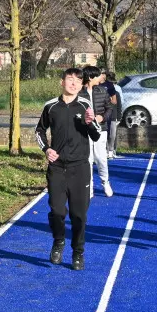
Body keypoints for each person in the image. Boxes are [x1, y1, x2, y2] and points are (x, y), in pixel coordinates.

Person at [36, 67, 101, 270]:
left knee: (78, 214)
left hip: (80, 167)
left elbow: (97, 135)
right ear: (62, 82)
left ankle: (78, 252)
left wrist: (90, 123)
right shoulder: (50, 106)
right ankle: (58, 240)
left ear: (82, 85)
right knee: (56, 211)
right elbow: (39, 130)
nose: (73, 83)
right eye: (70, 79)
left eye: (78, 81)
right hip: (57, 167)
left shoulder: (85, 105)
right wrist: (46, 149)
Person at [78, 65, 114, 198]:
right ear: (90, 77)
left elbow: (110, 108)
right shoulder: (79, 93)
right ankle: (89, 187)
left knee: (101, 159)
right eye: (98, 75)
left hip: (101, 130)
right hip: (85, 132)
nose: (100, 78)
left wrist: (102, 117)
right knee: (88, 159)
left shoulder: (102, 91)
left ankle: (105, 182)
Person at [104, 71, 121, 159]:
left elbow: (118, 106)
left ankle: (111, 150)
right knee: (105, 134)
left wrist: (119, 118)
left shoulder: (116, 94)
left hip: (113, 117)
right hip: (105, 117)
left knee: (112, 135)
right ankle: (106, 151)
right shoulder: (103, 93)